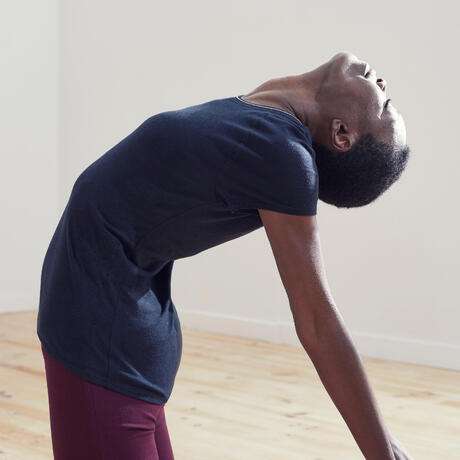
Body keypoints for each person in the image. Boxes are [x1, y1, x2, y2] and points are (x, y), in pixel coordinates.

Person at [37, 50, 412, 459]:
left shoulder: (282, 155)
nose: (382, 85)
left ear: (342, 134)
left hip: (100, 327)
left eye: (385, 105)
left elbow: (317, 323)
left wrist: (383, 449)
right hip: (117, 322)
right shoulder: (269, 113)